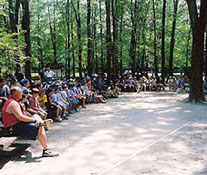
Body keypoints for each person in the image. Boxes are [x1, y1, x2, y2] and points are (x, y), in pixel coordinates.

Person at [2, 86, 58, 157]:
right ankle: (46, 150)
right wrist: (34, 120)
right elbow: (21, 117)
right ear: (16, 94)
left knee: (37, 120)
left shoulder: (12, 101)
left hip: (17, 123)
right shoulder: (13, 103)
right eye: (20, 93)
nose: (22, 94)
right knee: (40, 127)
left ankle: (40, 123)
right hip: (13, 127)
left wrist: (33, 117)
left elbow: (22, 115)